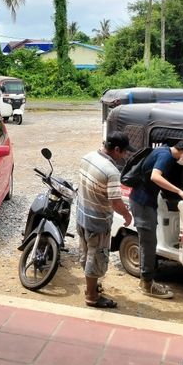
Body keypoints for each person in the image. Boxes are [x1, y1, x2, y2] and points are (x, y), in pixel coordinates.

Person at [129, 140, 183, 299]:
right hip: (143, 202)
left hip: (144, 200)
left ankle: (146, 281)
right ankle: (147, 284)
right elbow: (155, 176)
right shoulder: (166, 156)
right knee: (148, 242)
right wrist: (180, 192)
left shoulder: (163, 151)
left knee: (148, 240)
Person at [77, 131, 134, 308]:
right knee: (96, 257)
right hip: (98, 220)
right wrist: (126, 215)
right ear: (116, 149)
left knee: (87, 253)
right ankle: (92, 296)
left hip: (81, 215)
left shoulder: (87, 157)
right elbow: (115, 202)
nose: (125, 155)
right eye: (124, 151)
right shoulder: (111, 171)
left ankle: (91, 285)